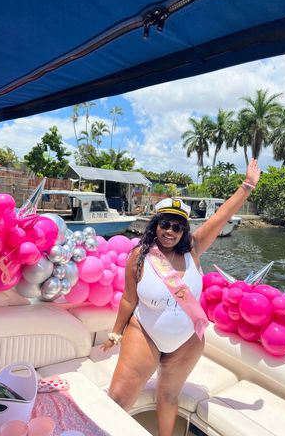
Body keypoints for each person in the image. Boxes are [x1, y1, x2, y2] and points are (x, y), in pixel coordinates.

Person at [101, 159, 261, 436]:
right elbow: (129, 299)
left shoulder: (194, 250)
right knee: (117, 399)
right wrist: (115, 334)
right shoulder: (139, 256)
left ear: (184, 230)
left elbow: (220, 216)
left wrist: (247, 186)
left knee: (169, 397)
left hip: (187, 341)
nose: (170, 231)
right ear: (156, 225)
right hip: (145, 334)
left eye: (177, 226)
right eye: (165, 224)